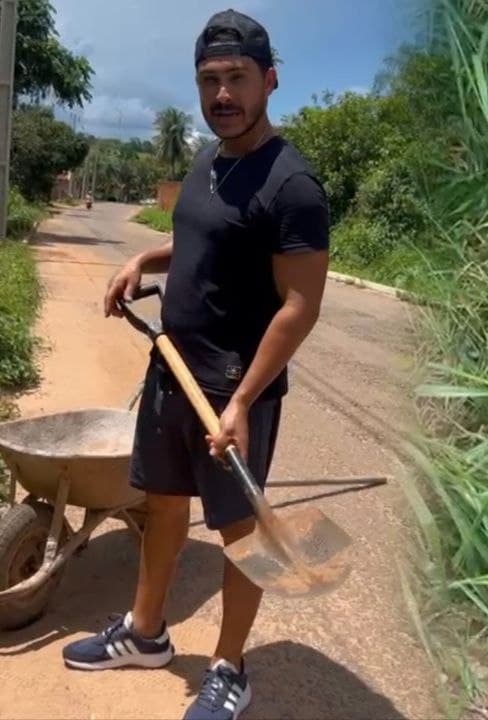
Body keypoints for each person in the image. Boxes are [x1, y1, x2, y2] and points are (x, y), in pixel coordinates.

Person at [61, 10, 330, 720]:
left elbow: (300, 305)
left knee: (244, 533)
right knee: (162, 506)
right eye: (209, 80)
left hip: (235, 391)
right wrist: (142, 258)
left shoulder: (292, 184)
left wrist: (242, 402)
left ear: (269, 82)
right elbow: (204, 244)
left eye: (237, 78)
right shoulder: (211, 159)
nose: (222, 94)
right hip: (172, 368)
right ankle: (145, 634)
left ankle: (228, 666)